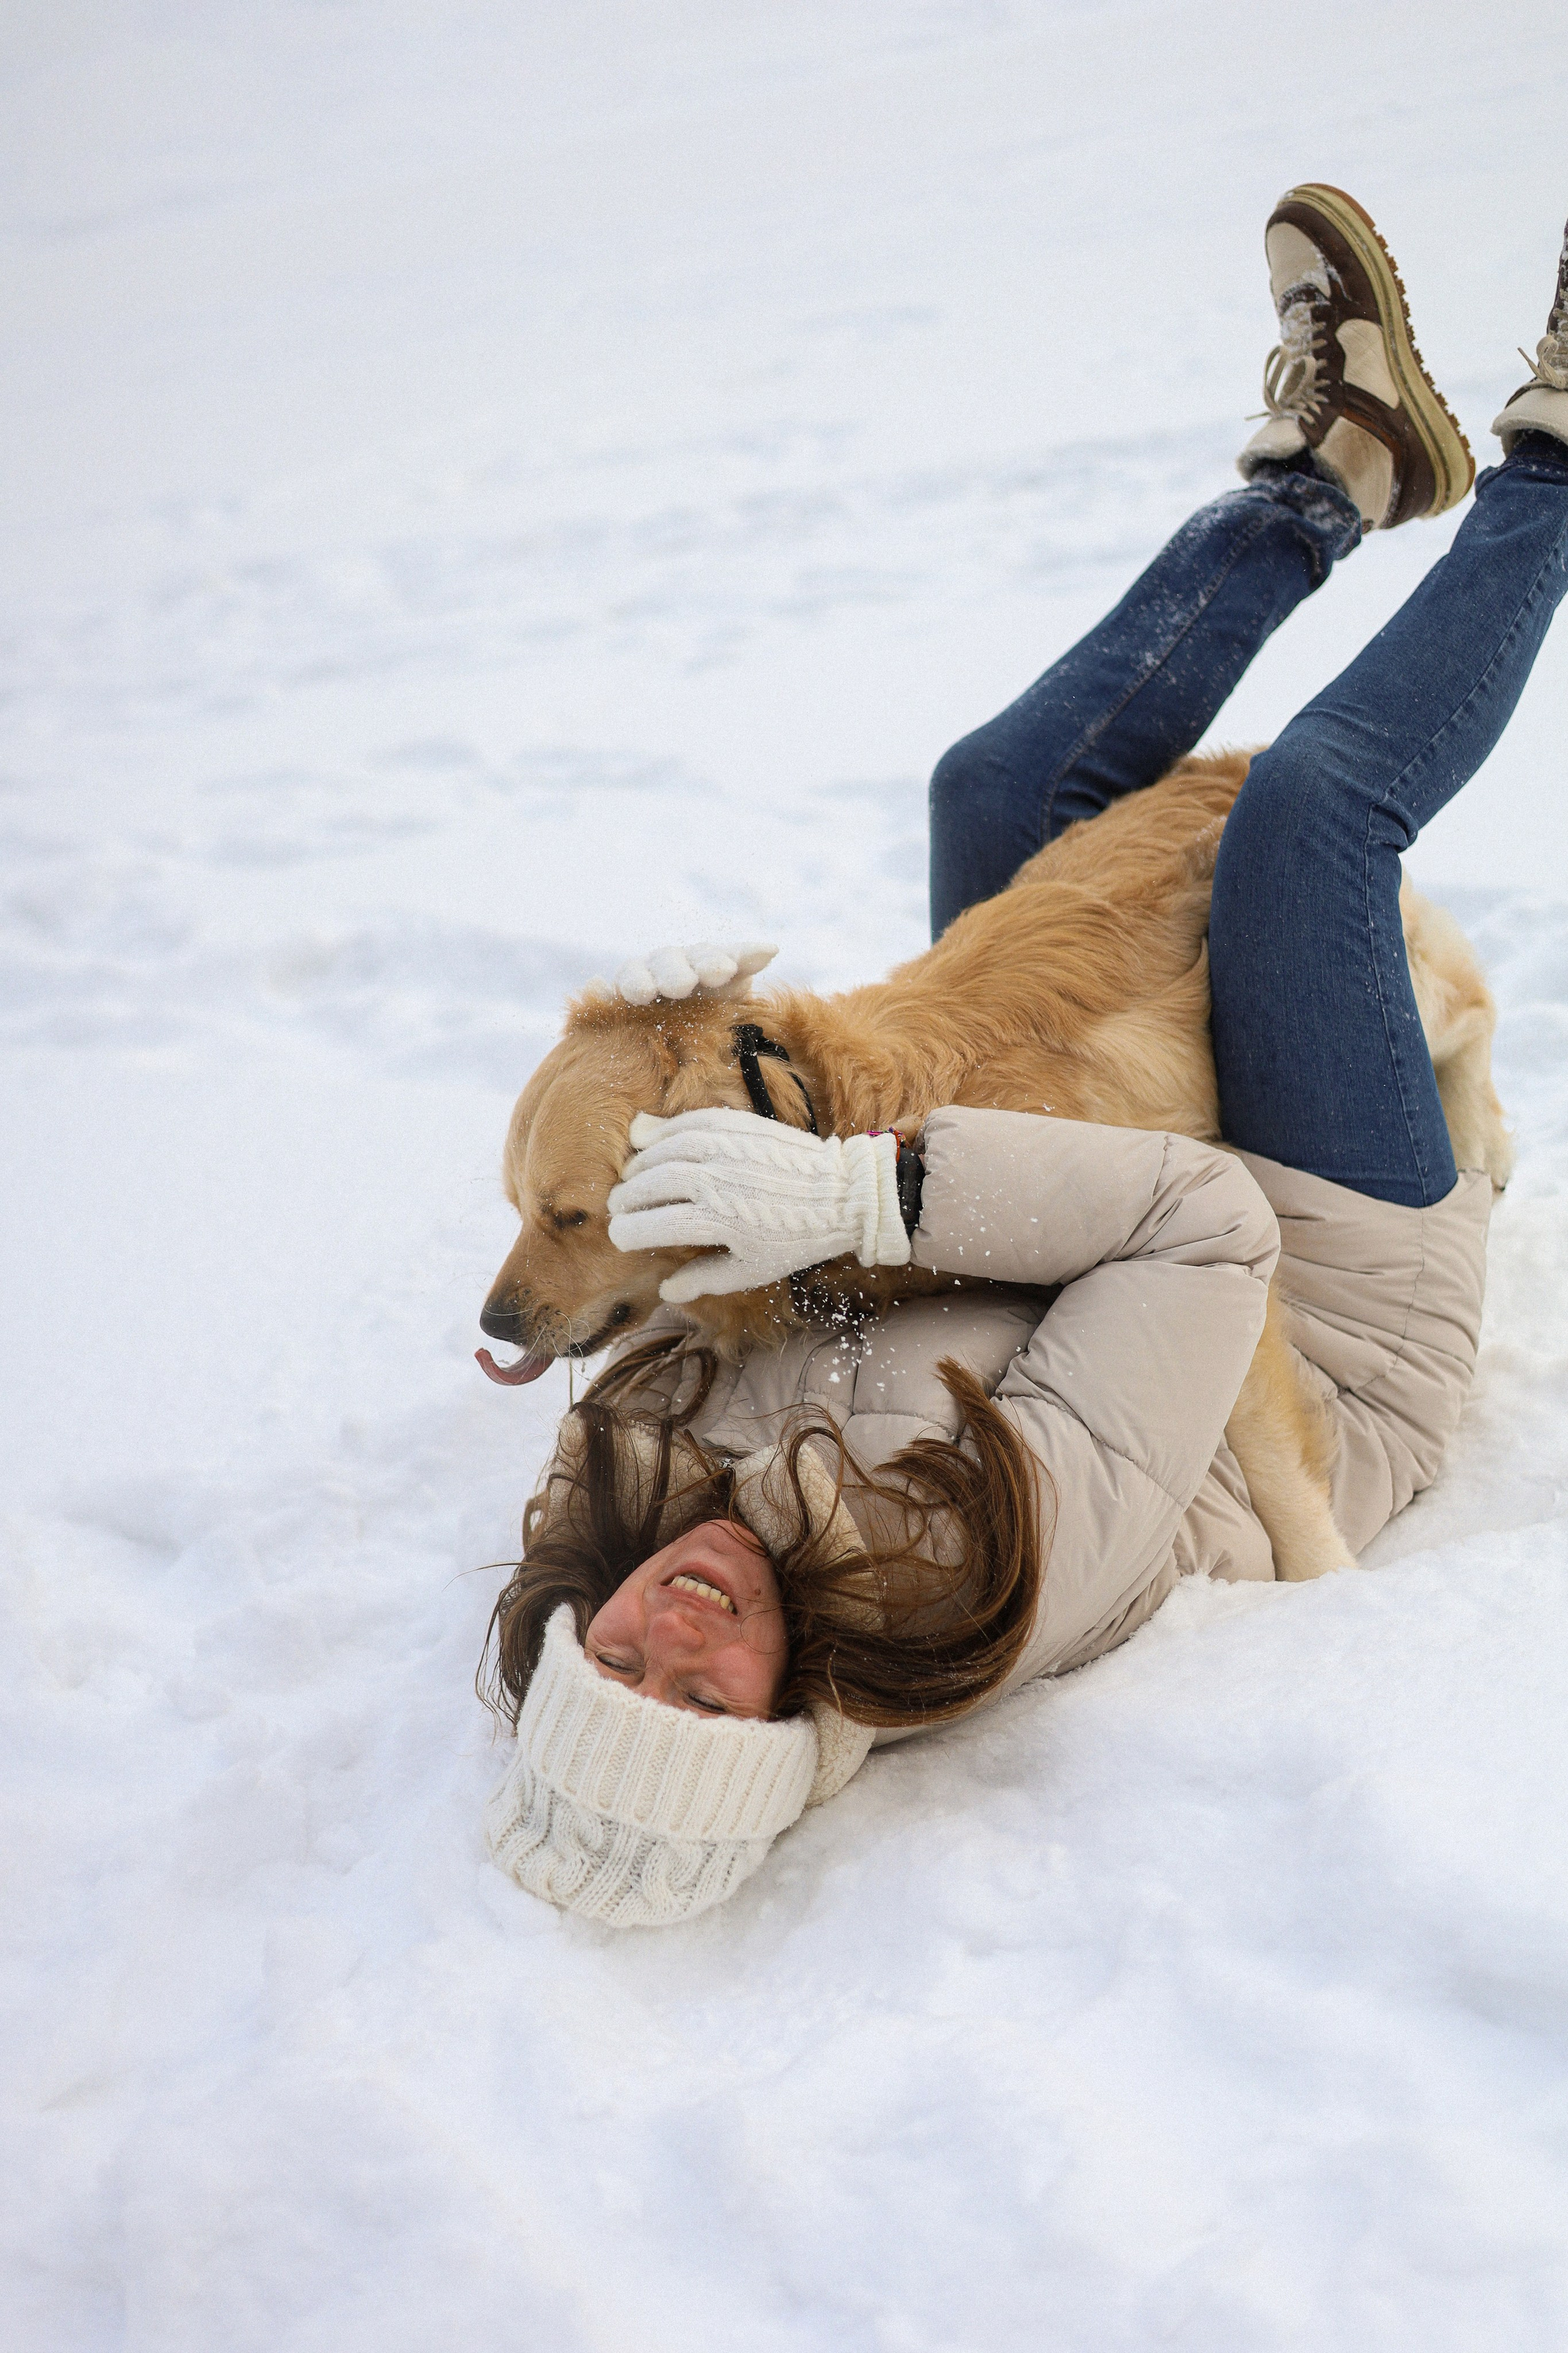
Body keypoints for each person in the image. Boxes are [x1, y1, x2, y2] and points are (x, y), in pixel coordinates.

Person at [481, 186, 1568, 1930]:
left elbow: (706, 1261)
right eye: (695, 1697)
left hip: (1052, 1151)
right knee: (1296, 823)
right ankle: (1555, 465)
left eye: (613, 1659)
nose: (670, 1634)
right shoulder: (951, 1575)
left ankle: (1331, 474)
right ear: (782, 1724)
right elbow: (1202, 1231)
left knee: (989, 800)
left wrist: (689, 1053)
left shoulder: (642, 1484)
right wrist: (849, 1187)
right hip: (1314, 1301)